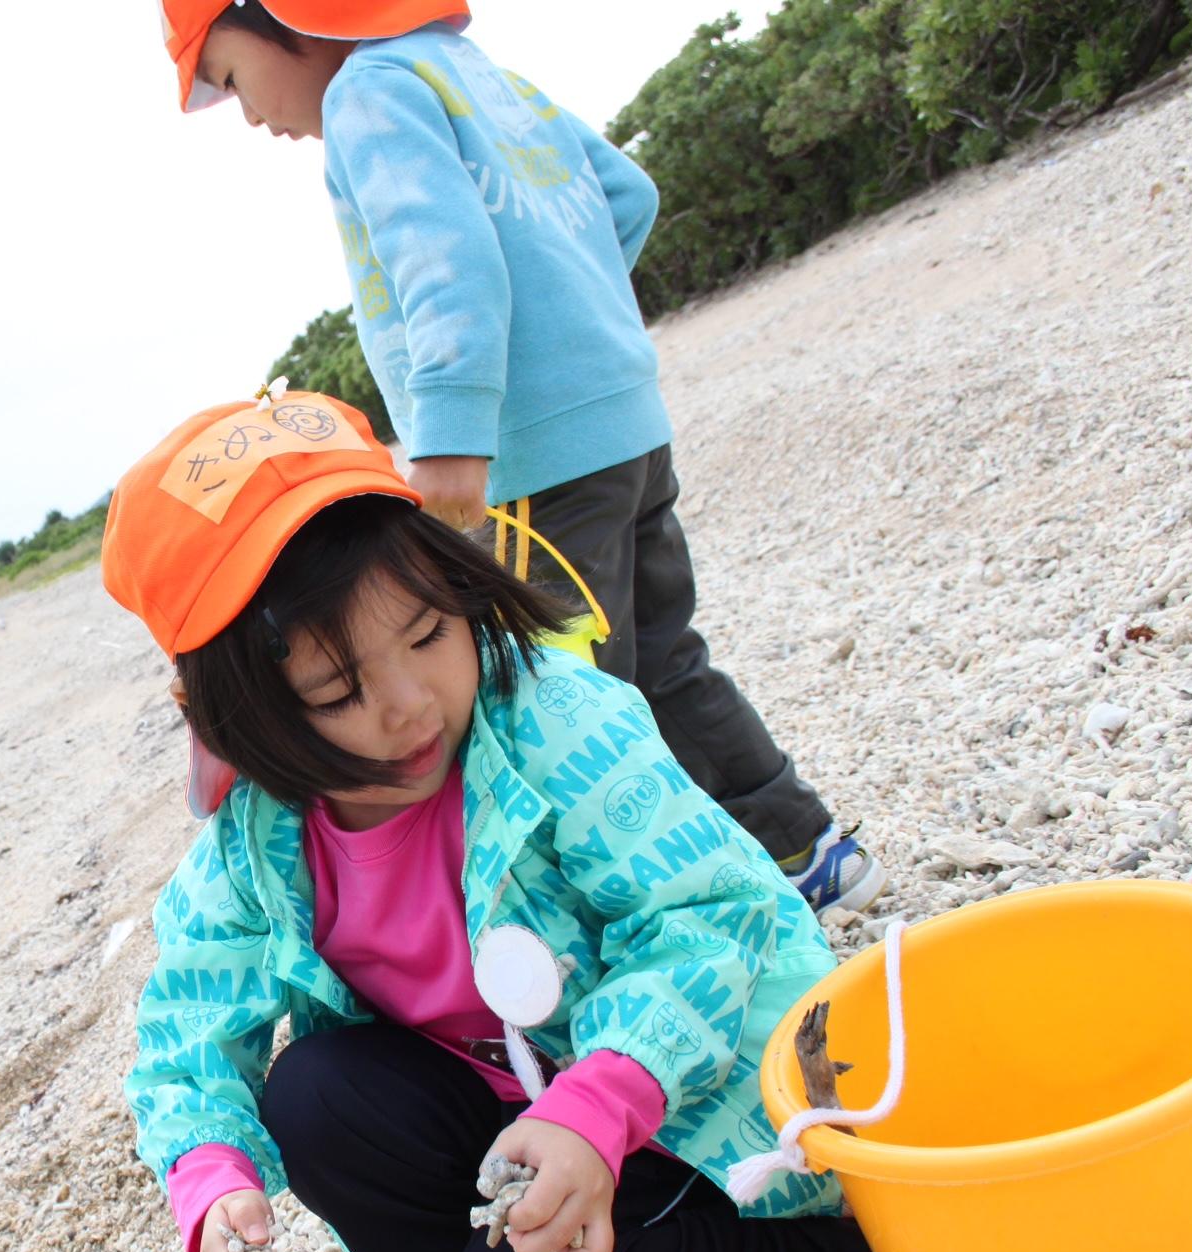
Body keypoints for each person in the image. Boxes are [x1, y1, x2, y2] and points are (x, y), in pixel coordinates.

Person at [101, 390, 879, 1252]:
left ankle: (836, 1246)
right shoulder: (258, 847)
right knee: (313, 1093)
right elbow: (190, 1032)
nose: (409, 706)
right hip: (524, 1108)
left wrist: (601, 1104)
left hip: (699, 1102)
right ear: (233, 723)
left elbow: (704, 919)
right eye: (337, 695)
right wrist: (209, 1184)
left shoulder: (555, 722)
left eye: (428, 634)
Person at [155, 0, 884, 912]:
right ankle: (803, 848)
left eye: (229, 77)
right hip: (624, 427)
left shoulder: (370, 96)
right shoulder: (480, 77)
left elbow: (447, 266)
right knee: (662, 653)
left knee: (553, 698)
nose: (251, 115)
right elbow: (629, 197)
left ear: (282, 19)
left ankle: (614, 907)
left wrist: (456, 435)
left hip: (529, 457)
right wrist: (574, 318)